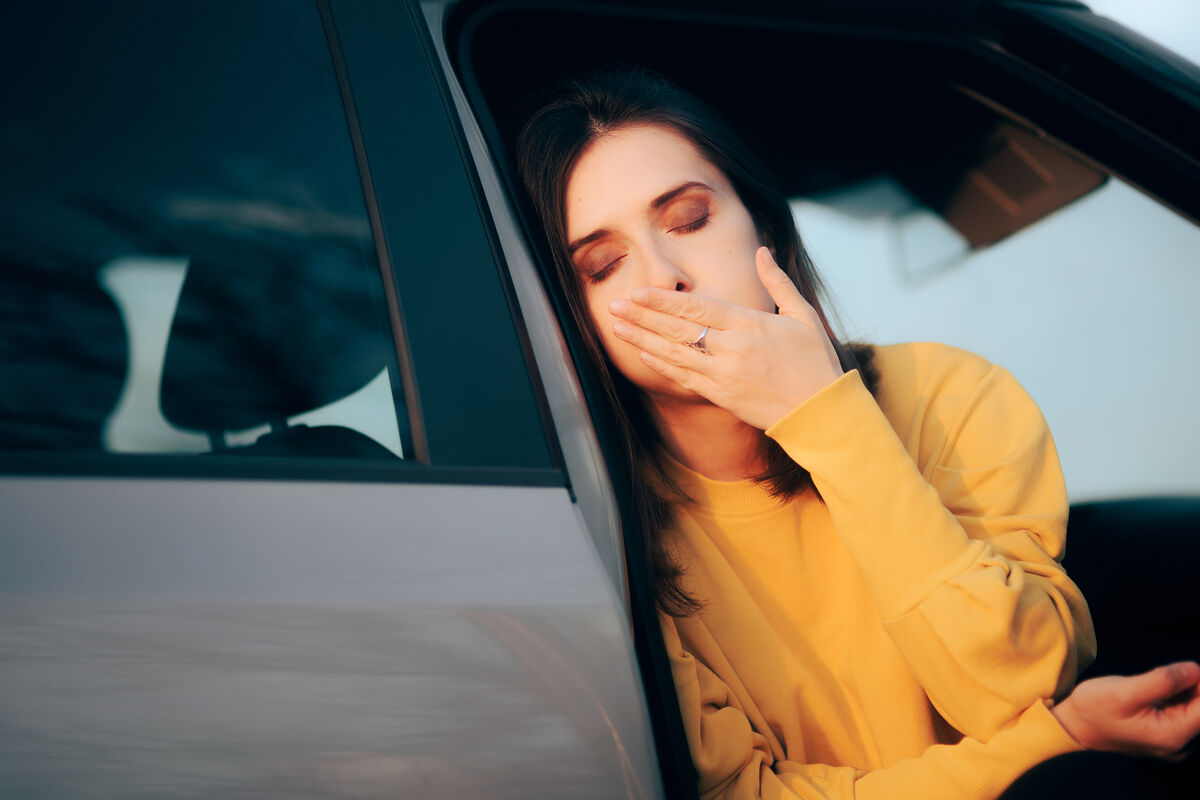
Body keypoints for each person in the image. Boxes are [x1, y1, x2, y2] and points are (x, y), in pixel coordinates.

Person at [516, 66, 1200, 799]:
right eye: (604, 265)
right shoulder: (600, 524)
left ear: (764, 226)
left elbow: (1014, 692)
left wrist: (828, 419)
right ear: (573, 316)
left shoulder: (950, 396)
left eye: (688, 221)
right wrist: (1052, 742)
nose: (664, 277)